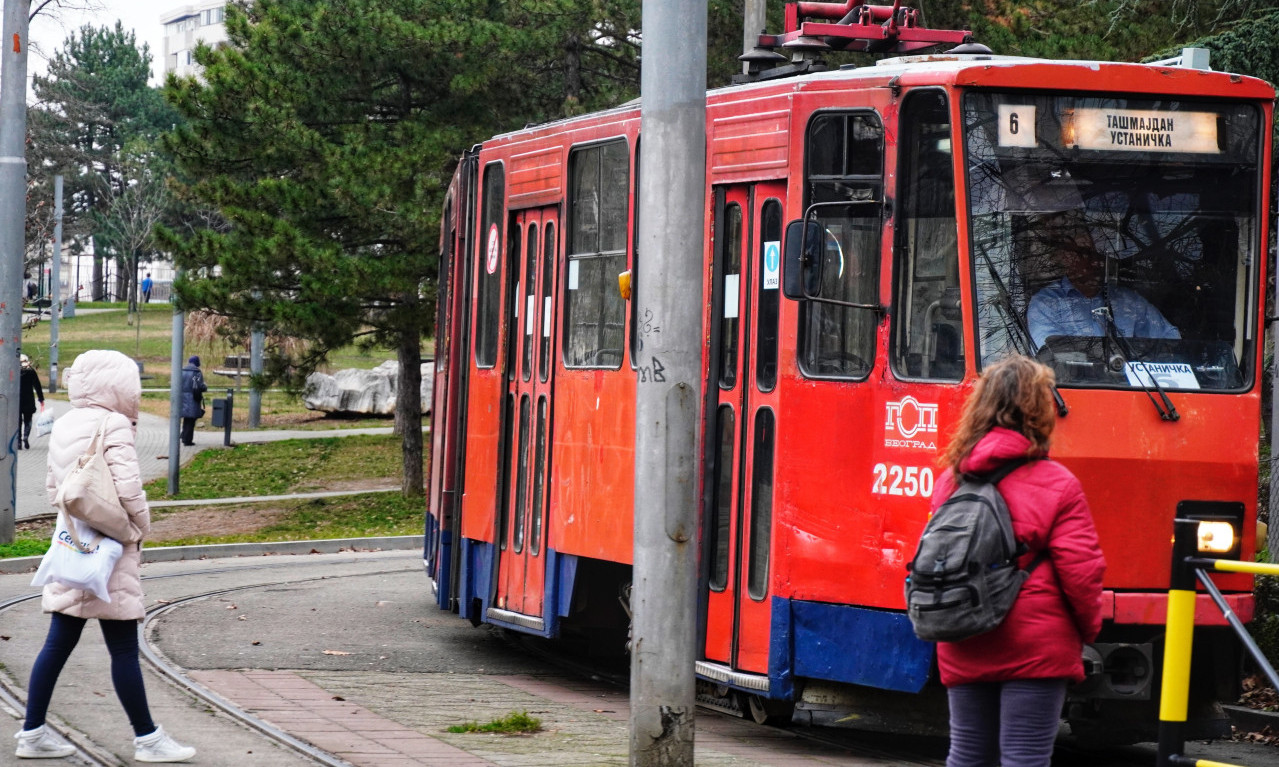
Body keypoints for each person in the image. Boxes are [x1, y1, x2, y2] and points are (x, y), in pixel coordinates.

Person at [15, 350, 196, 762]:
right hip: (111, 549)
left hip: (73, 543)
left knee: (57, 645)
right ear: (118, 385)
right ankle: (148, 740)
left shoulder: (65, 422)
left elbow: (51, 489)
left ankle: (32, 733)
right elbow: (130, 488)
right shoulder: (113, 423)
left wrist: (78, 518)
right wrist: (138, 529)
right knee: (123, 648)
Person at [932, 355, 1105, 767]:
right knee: (1025, 759)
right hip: (1037, 644)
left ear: (979, 409)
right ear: (1040, 413)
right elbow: (1081, 573)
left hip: (964, 631)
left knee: (968, 756)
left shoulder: (952, 480)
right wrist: (1088, 629)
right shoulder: (1058, 484)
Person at [1026, 215, 1179, 348]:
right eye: (1085, 254)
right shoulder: (1047, 304)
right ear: (1065, 259)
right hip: (1074, 381)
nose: (1095, 261)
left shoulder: (1128, 301)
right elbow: (1049, 356)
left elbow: (1170, 341)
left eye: (1099, 255)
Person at [179, 356, 207, 447]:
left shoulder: (182, 371)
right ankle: (187, 440)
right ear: (197, 362)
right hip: (193, 399)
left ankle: (184, 436)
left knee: (187, 419)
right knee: (191, 420)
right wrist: (205, 387)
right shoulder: (196, 372)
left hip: (182, 398)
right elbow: (200, 386)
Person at [18, 354, 44, 450]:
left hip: (17, 400)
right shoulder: (31, 371)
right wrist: (41, 399)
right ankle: (26, 436)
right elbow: (37, 385)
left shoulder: (15, 371)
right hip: (29, 399)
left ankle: (18, 442)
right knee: (28, 420)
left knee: (18, 421)